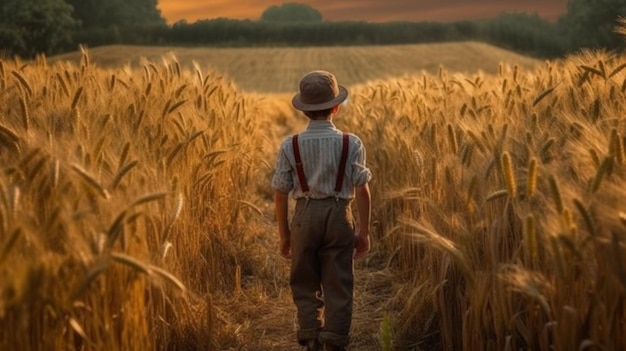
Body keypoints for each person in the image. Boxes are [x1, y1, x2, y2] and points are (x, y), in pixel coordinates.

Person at [271, 70, 372, 351]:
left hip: (304, 215)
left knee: (303, 281)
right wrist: (363, 231)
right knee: (339, 284)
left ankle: (312, 339)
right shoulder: (351, 143)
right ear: (336, 107)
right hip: (340, 215)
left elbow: (280, 194)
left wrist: (285, 234)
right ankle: (334, 343)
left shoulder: (290, 145)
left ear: (304, 110)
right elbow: (362, 189)